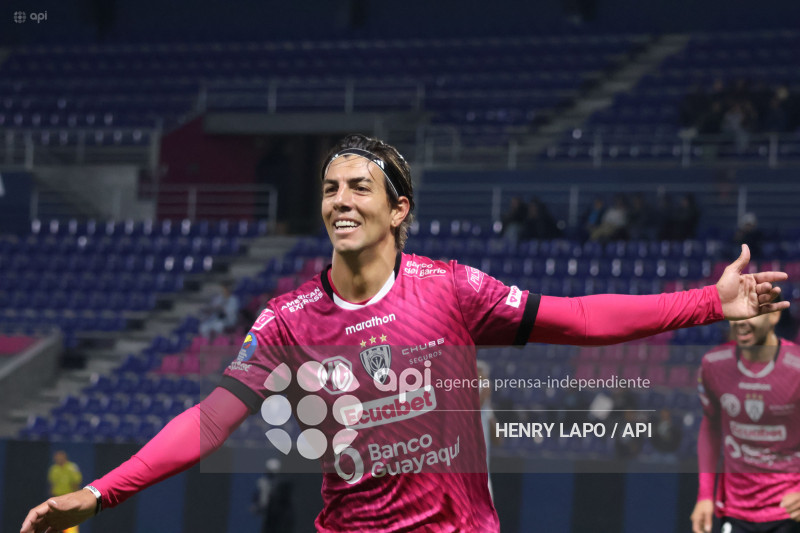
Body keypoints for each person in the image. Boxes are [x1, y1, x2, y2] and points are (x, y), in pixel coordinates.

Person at [21, 134, 789, 533]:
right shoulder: (287, 320)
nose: (340, 199)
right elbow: (206, 422)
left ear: (399, 209)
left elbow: (582, 319)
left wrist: (708, 302)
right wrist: (98, 491)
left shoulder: (451, 289)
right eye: (330, 187)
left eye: (360, 186)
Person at [691, 303, 800, 533]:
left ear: (774, 315)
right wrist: (705, 495)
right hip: (735, 510)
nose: (741, 321)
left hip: (790, 510)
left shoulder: (797, 367)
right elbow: (710, 426)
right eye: (736, 313)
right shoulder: (714, 364)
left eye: (751, 313)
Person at [47, 451, 82, 533]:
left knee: (70, 521)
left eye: (59, 457)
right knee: (56, 521)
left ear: (64, 457)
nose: (58, 459)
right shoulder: (53, 469)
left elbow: (76, 483)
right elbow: (52, 484)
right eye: (56, 458)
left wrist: (76, 498)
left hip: (69, 498)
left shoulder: (72, 467)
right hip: (57, 499)